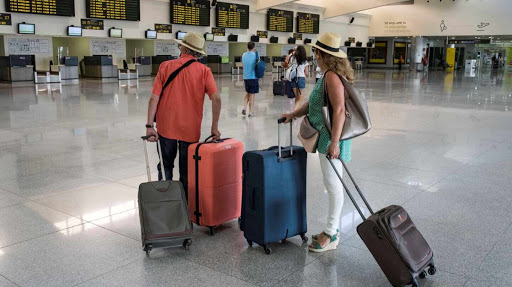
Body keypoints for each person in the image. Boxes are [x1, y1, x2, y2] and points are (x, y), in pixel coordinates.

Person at [281, 32, 353, 253]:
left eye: (315, 52)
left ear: (321, 53)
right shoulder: (328, 74)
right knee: (332, 183)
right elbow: (314, 105)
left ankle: (332, 233)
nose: (313, 55)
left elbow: (340, 110)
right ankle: (331, 230)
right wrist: (292, 115)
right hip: (329, 135)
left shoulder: (331, 76)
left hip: (331, 137)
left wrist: (334, 142)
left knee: (333, 185)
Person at [146, 32, 221, 197]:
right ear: (198, 53)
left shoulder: (165, 66)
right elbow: (216, 98)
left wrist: (150, 126)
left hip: (166, 128)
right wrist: (214, 127)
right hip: (190, 130)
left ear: (182, 47)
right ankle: (185, 209)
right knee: (187, 172)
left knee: (165, 167)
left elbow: (154, 98)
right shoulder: (204, 71)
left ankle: (165, 203)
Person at [242, 41, 259, 117]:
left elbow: (243, 65)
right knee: (252, 95)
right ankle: (251, 112)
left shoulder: (244, 55)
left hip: (246, 77)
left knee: (247, 93)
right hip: (253, 77)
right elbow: (259, 66)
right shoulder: (255, 55)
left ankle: (244, 108)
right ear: (254, 47)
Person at [290, 45, 309, 111]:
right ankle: (294, 111)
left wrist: (292, 53)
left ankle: (295, 112)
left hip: (293, 78)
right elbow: (306, 73)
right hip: (301, 78)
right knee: (301, 98)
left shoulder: (293, 59)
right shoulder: (305, 61)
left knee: (297, 97)